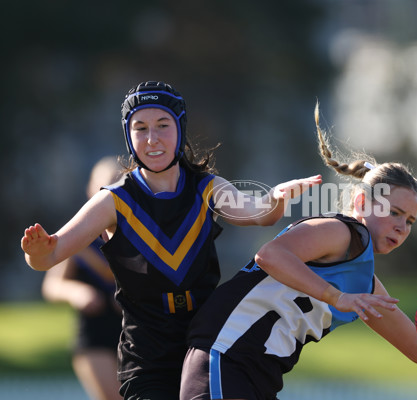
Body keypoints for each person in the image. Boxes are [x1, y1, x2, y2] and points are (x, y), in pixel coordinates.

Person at [180, 103, 417, 400]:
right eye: (394, 212)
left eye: (410, 221)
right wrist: (337, 297)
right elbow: (270, 255)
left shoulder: (364, 280)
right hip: (223, 356)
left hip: (254, 375)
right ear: (363, 204)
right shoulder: (341, 232)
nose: (402, 226)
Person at [21, 81, 322, 400]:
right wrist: (37, 253)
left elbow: (259, 214)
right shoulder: (113, 201)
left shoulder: (207, 188)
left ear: (180, 128)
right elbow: (49, 257)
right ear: (129, 135)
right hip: (147, 355)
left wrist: (275, 198)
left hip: (206, 344)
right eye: (140, 128)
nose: (152, 139)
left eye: (163, 125)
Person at [42, 156, 123, 400]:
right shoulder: (78, 236)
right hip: (95, 331)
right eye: (102, 188)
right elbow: (53, 285)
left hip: (136, 330)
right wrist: (78, 293)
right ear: (91, 190)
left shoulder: (140, 233)